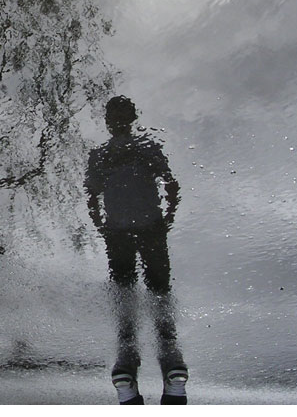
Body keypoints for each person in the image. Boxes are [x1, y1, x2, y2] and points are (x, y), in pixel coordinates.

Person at [85, 95, 188, 405]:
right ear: (131, 118)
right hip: (148, 226)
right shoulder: (146, 147)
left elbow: (91, 195)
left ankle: (128, 364)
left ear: (109, 121)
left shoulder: (101, 154)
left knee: (126, 286)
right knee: (157, 286)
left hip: (121, 229)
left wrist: (100, 224)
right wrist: (168, 216)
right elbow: (171, 184)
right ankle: (169, 362)